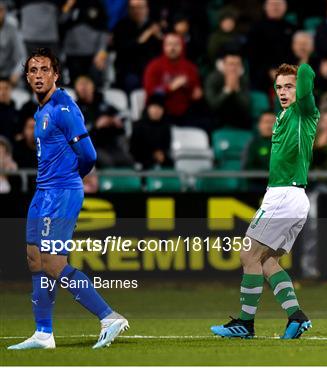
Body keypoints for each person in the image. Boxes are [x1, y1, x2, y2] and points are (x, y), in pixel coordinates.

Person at [7, 48, 129, 350]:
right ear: (26, 76)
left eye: (44, 70)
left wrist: (70, 179)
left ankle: (108, 316)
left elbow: (88, 155)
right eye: (33, 70)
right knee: (35, 258)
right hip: (42, 192)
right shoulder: (40, 109)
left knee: (53, 262)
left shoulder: (63, 108)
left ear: (56, 75)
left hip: (60, 193)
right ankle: (43, 333)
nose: (38, 75)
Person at [211, 63, 319, 339]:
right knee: (268, 261)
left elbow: (307, 74)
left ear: (300, 90)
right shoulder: (283, 116)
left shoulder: (303, 111)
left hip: (284, 195)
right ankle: (296, 316)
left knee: (248, 254)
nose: (283, 92)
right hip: (290, 196)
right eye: (279, 87)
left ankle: (245, 324)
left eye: (289, 86)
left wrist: (303, 59)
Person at [143, 32, 203, 124]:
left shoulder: (190, 67)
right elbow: (151, 91)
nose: (172, 48)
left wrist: (196, 93)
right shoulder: (154, 66)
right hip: (162, 113)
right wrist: (170, 87)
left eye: (176, 44)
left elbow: (196, 90)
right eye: (169, 44)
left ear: (182, 46)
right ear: (164, 46)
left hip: (186, 112)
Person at [204, 50, 251, 130]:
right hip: (217, 120)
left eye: (237, 64)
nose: (234, 68)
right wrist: (227, 90)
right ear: (224, 65)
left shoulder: (243, 79)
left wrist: (237, 90)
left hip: (240, 120)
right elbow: (213, 105)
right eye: (231, 64)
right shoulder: (213, 78)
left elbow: (246, 106)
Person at [130, 93, 172, 169]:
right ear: (148, 108)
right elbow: (134, 149)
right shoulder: (138, 125)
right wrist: (153, 155)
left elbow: (167, 145)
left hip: (162, 160)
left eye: (160, 108)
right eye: (154, 107)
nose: (156, 110)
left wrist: (161, 154)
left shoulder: (166, 126)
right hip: (142, 160)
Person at [0, 0, 27, 85]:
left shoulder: (12, 27)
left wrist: (16, 73)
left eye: (0, 10)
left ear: (5, 11)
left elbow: (22, 56)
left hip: (8, 75)